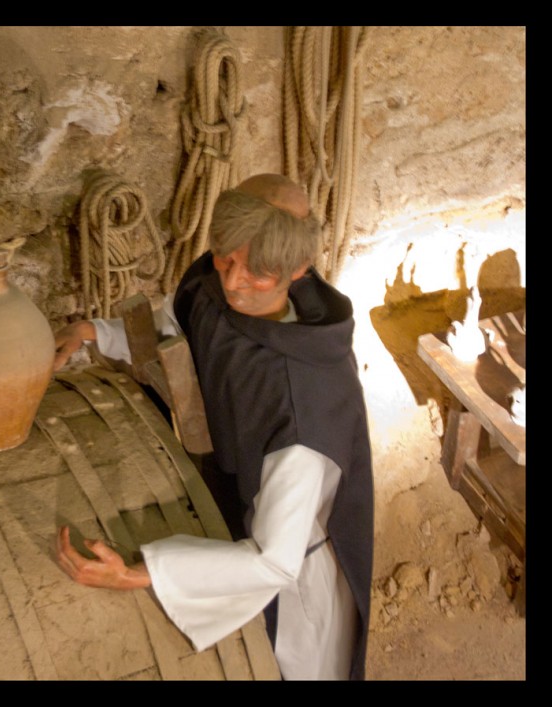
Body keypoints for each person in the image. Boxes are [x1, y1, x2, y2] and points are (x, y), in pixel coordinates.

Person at [53, 173, 374, 680]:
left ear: (299, 269)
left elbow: (275, 561)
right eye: (226, 259)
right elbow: (179, 333)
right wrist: (94, 332)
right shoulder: (214, 287)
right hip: (233, 511)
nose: (233, 282)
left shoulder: (304, 408)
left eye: (258, 274)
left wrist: (146, 572)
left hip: (293, 578)